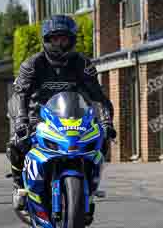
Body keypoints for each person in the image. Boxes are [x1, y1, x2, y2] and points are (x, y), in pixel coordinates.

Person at [7, 15, 116, 211]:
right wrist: (21, 120)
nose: (60, 44)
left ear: (72, 40)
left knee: (101, 138)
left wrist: (107, 121)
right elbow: (20, 95)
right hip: (37, 118)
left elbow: (98, 96)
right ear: (47, 40)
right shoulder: (32, 64)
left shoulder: (82, 64)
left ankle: (91, 184)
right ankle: (20, 186)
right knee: (17, 143)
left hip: (71, 117)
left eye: (64, 39)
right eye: (56, 38)